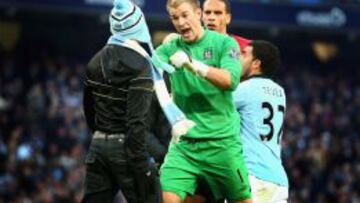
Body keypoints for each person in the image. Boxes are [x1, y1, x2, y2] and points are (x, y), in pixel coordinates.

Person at [156, 0, 252, 203]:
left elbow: (230, 80)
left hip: (222, 144)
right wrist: (128, 49)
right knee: (166, 195)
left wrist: (193, 65)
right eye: (175, 18)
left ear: (198, 13)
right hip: (184, 147)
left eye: (185, 15)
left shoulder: (225, 44)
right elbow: (146, 70)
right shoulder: (170, 47)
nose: (181, 22)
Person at [81, 0, 161, 202]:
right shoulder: (141, 64)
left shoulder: (94, 61)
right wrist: (142, 164)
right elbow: (136, 122)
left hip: (97, 145)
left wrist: (101, 136)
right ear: (139, 24)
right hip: (127, 148)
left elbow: (89, 111)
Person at [233, 40, 289, 203]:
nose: (239, 58)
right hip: (278, 180)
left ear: (256, 63)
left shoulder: (245, 89)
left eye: (244, 54)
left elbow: (214, 107)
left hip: (253, 176)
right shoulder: (280, 92)